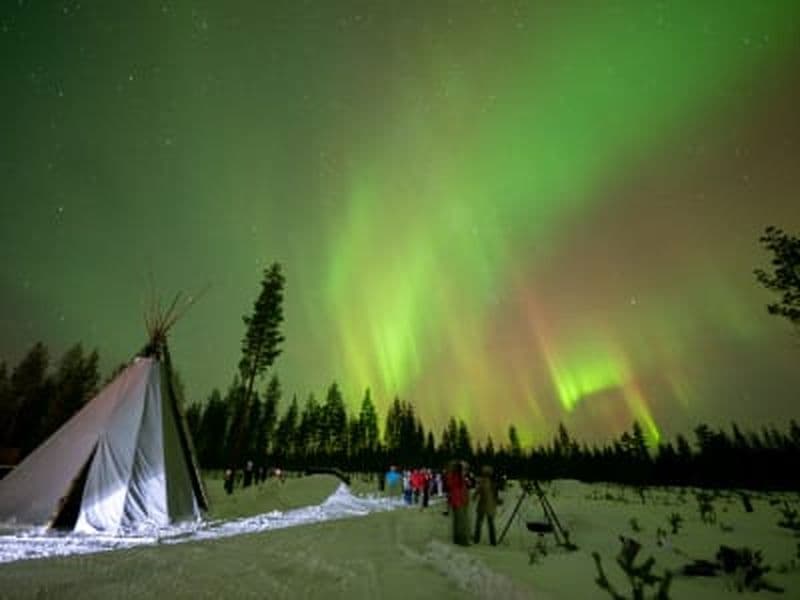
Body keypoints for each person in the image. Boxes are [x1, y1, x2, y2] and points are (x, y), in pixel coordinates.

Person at [446, 461, 470, 545]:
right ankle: (462, 540)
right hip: (459, 501)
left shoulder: (454, 476)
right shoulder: (457, 477)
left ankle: (457, 538)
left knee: (457, 521)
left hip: (457, 500)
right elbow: (458, 489)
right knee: (461, 522)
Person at [473, 465, 498, 546]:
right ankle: (493, 541)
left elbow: (479, 491)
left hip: (483, 505)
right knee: (490, 523)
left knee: (479, 523)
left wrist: (475, 495)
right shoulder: (493, 483)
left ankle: (477, 539)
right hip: (490, 505)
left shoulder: (484, 482)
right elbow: (495, 494)